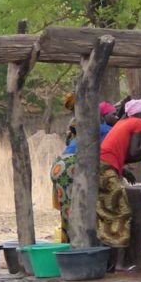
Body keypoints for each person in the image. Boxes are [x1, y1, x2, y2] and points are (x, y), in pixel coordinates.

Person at [51, 102, 120, 243]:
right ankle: (79, 246)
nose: (117, 117)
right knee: (79, 208)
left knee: (68, 208)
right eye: (113, 114)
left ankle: (68, 244)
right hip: (71, 165)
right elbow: (107, 155)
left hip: (60, 165)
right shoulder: (107, 130)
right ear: (103, 116)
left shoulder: (92, 129)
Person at [98, 98, 141, 271]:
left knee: (106, 212)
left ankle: (108, 262)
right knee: (123, 212)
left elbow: (128, 156)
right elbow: (135, 151)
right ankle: (120, 264)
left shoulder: (125, 122)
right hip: (106, 169)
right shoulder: (139, 122)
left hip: (100, 166)